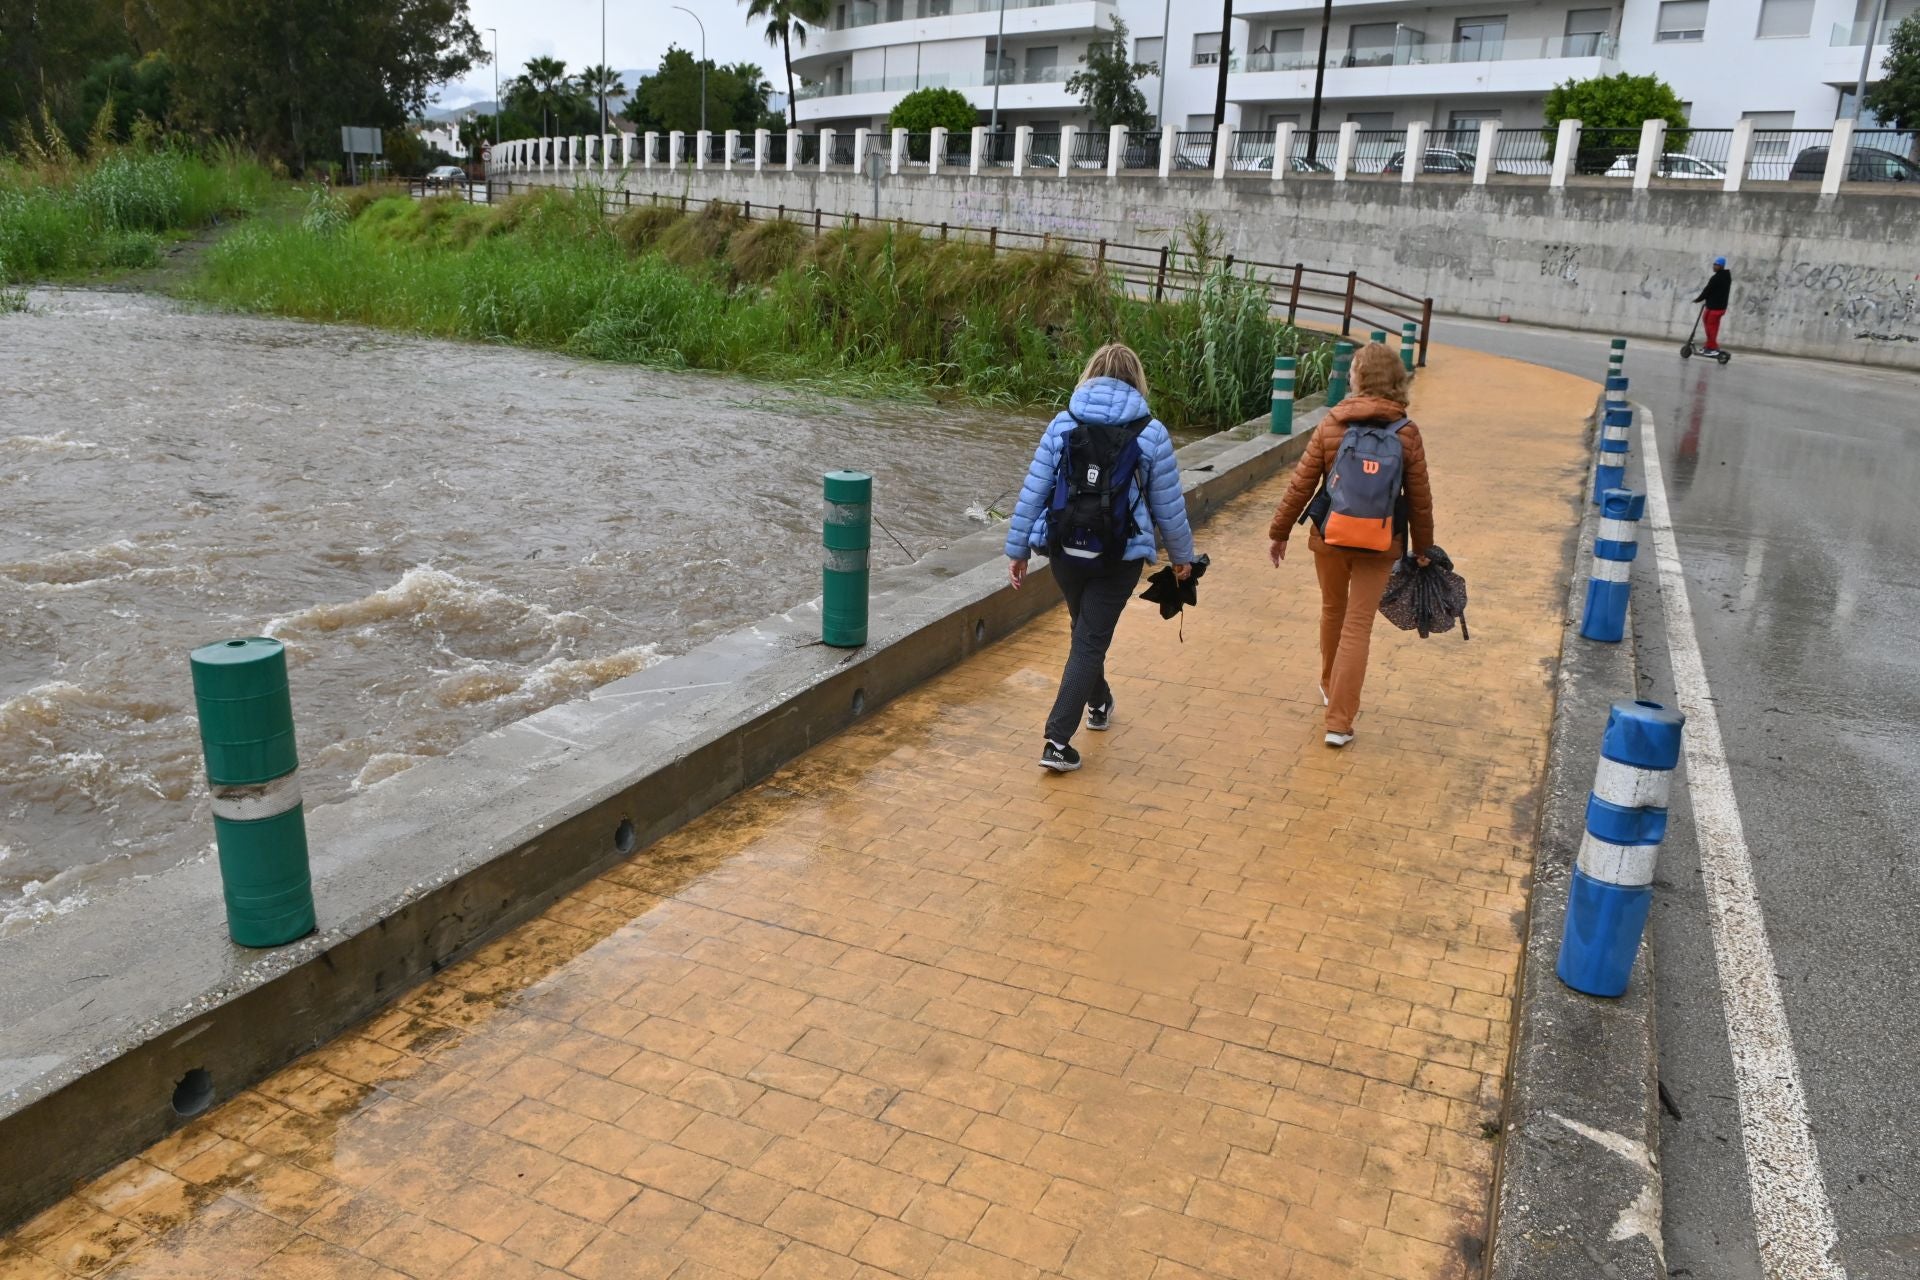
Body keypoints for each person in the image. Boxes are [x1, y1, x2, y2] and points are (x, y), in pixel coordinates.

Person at [1005, 343, 1196, 773]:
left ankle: (1099, 702)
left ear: (1090, 374)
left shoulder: (1063, 422)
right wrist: (1183, 556)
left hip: (1064, 551)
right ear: (1136, 381)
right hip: (1119, 554)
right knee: (1089, 638)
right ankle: (1057, 740)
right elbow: (1168, 505)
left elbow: (1034, 489)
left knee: (1085, 632)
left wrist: (1018, 549)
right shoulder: (1151, 432)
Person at [1266, 342, 1435, 748]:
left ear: (1358, 378)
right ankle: (1339, 722)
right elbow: (1419, 499)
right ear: (1395, 379)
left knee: (1332, 611)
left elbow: (1301, 484)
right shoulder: (1406, 433)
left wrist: (1279, 531)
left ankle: (1330, 685)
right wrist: (1424, 548)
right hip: (1381, 541)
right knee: (1358, 625)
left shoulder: (1332, 424)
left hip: (1331, 536)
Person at [1694, 256, 1732, 356]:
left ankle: (1712, 348)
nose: (1714, 267)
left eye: (1717, 265)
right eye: (1714, 264)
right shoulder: (1724, 276)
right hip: (1712, 306)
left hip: (1717, 307)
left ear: (1722, 266)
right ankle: (1709, 345)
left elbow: (1707, 290)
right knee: (1706, 321)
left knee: (1711, 327)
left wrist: (1699, 299)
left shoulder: (1718, 277)